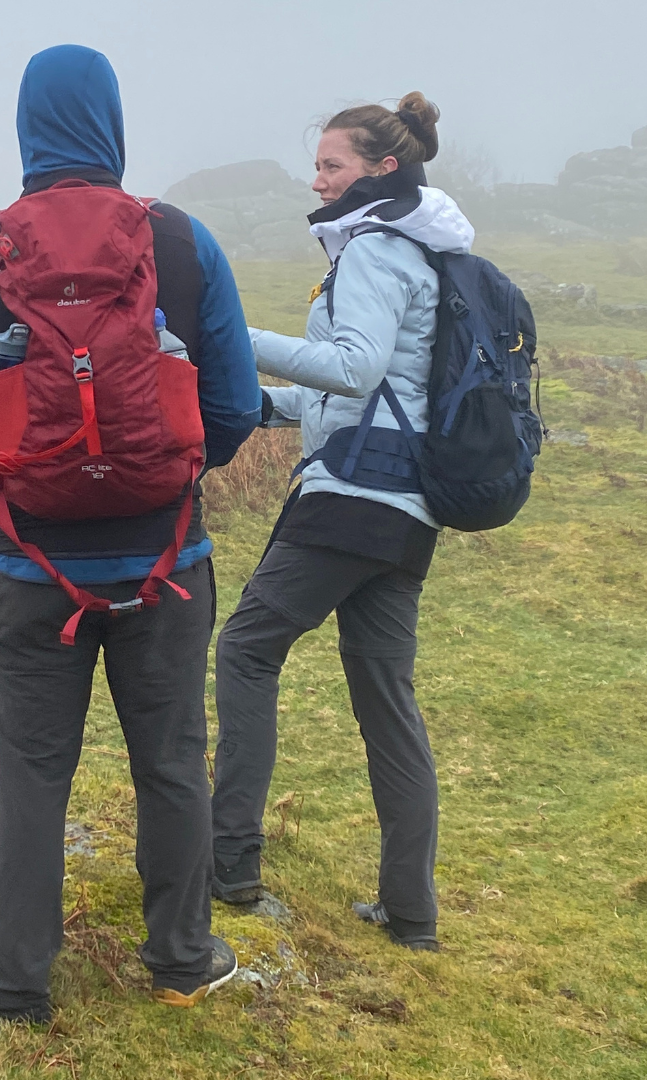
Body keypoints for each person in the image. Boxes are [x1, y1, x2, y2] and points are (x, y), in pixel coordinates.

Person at [0, 45, 260, 1020]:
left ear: (26, 127)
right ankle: (183, 959)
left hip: (28, 574)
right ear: (112, 121)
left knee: (30, 773)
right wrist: (163, 471)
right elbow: (233, 408)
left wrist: (14, 481)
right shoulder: (182, 243)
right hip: (170, 569)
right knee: (173, 762)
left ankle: (15, 987)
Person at [211, 93, 475, 952]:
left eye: (332, 165)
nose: (316, 180)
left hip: (352, 498)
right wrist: (256, 407)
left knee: (246, 650)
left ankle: (228, 862)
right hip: (407, 509)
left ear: (382, 170)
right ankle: (412, 914)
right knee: (385, 698)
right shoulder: (422, 254)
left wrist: (230, 335)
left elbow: (356, 372)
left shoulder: (374, 248)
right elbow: (365, 391)